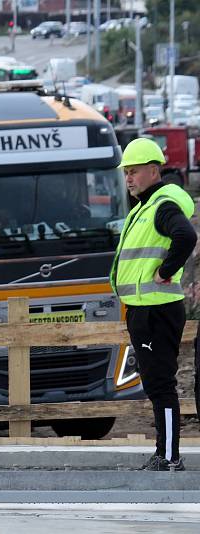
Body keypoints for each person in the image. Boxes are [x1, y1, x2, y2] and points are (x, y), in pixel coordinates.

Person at [110, 138, 196, 471]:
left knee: (160, 383)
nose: (128, 179)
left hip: (156, 309)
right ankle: (165, 452)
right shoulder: (147, 207)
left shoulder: (162, 205)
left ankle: (170, 456)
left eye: (134, 172)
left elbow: (185, 236)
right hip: (146, 309)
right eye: (126, 173)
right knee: (155, 382)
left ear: (153, 170)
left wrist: (166, 270)